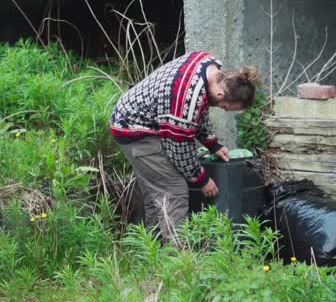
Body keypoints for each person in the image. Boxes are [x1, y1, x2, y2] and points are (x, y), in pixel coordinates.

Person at [110, 51, 260, 239]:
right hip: (135, 130)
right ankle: (178, 258)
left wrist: (212, 144)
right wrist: (201, 179)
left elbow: (201, 107)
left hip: (138, 119)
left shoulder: (210, 65)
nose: (221, 108)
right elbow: (179, 148)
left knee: (155, 193)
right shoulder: (186, 98)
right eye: (224, 107)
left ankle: (153, 251)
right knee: (173, 190)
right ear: (221, 93)